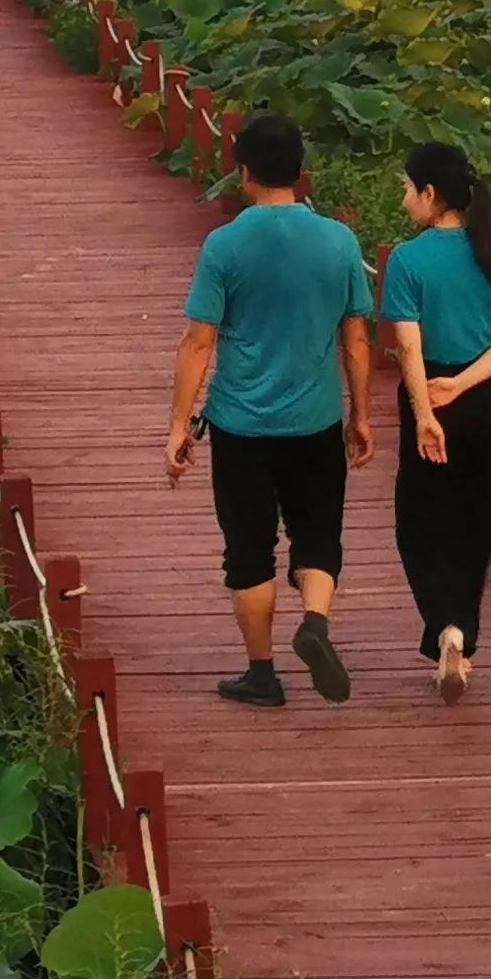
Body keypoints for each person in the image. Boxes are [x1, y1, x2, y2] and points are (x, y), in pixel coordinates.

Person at [165, 109, 374, 706]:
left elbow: (199, 340)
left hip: (241, 424)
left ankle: (262, 673)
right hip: (316, 418)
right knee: (318, 536)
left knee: (249, 548)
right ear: (302, 172)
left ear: (244, 172)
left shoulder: (225, 244)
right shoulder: (340, 240)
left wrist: (180, 424)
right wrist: (360, 414)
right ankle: (314, 621)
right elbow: (356, 338)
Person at [384, 140, 491, 699]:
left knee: (420, 523)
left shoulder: (407, 259)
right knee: (476, 524)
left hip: (431, 394)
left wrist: (426, 410)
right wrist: (467, 383)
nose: (404, 201)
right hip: (485, 399)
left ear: (430, 194)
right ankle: (462, 640)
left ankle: (445, 624)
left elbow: (408, 346)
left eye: (407, 189)